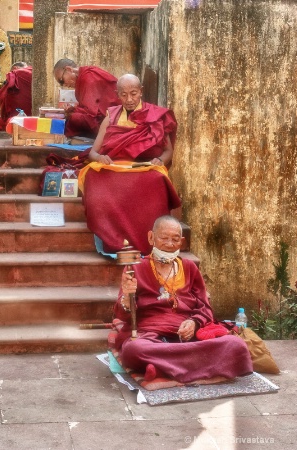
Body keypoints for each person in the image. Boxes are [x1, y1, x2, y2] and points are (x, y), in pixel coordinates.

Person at [114, 215, 253, 383]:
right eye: (164, 238)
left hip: (187, 336)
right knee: (133, 350)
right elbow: (122, 313)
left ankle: (161, 367)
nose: (170, 244)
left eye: (175, 239)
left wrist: (194, 323)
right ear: (151, 237)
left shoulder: (189, 268)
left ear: (182, 241)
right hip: (149, 334)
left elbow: (205, 307)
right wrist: (128, 297)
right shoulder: (136, 268)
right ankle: (192, 365)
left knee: (236, 345)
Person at [78, 74, 182, 256]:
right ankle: (111, 239)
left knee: (157, 178)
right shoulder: (112, 115)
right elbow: (93, 152)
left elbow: (168, 151)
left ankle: (150, 240)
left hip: (145, 168)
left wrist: (160, 160)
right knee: (93, 177)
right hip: (116, 168)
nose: (129, 99)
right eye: (124, 95)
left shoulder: (155, 115)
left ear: (141, 92)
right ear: (117, 95)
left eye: (133, 93)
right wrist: (100, 158)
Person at [53, 58, 121, 138]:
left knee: (69, 121)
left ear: (69, 69)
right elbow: (90, 107)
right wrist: (73, 109)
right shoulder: (84, 76)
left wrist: (71, 114)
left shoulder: (88, 78)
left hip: (111, 121)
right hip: (105, 117)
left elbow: (92, 116)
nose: (64, 85)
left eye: (61, 80)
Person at [0, 62, 33, 131]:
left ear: (15, 68)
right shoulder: (34, 71)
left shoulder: (16, 74)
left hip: (18, 118)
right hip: (36, 115)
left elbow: (3, 96)